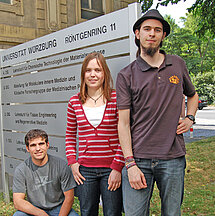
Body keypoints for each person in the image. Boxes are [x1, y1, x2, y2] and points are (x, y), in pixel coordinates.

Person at [116, 9, 199, 216]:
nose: (151, 33)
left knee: (172, 213)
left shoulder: (177, 64)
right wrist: (130, 163)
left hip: (172, 157)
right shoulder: (126, 75)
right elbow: (123, 123)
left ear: (163, 36)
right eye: (147, 29)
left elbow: (193, 95)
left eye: (157, 30)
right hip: (139, 159)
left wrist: (190, 117)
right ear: (137, 34)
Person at [65, 52, 124, 216]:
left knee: (112, 212)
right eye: (88, 70)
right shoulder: (74, 102)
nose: (93, 74)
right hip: (85, 171)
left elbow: (124, 135)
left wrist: (117, 167)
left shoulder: (116, 98)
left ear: (104, 73)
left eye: (97, 70)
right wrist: (73, 162)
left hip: (110, 169)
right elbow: (70, 136)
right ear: (83, 74)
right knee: (87, 211)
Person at [12, 129, 78, 216]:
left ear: (47, 145)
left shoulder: (61, 165)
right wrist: (41, 214)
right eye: (33, 145)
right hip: (35, 209)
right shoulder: (21, 170)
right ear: (27, 148)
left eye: (41, 144)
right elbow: (18, 202)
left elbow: (69, 198)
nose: (38, 148)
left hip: (58, 208)